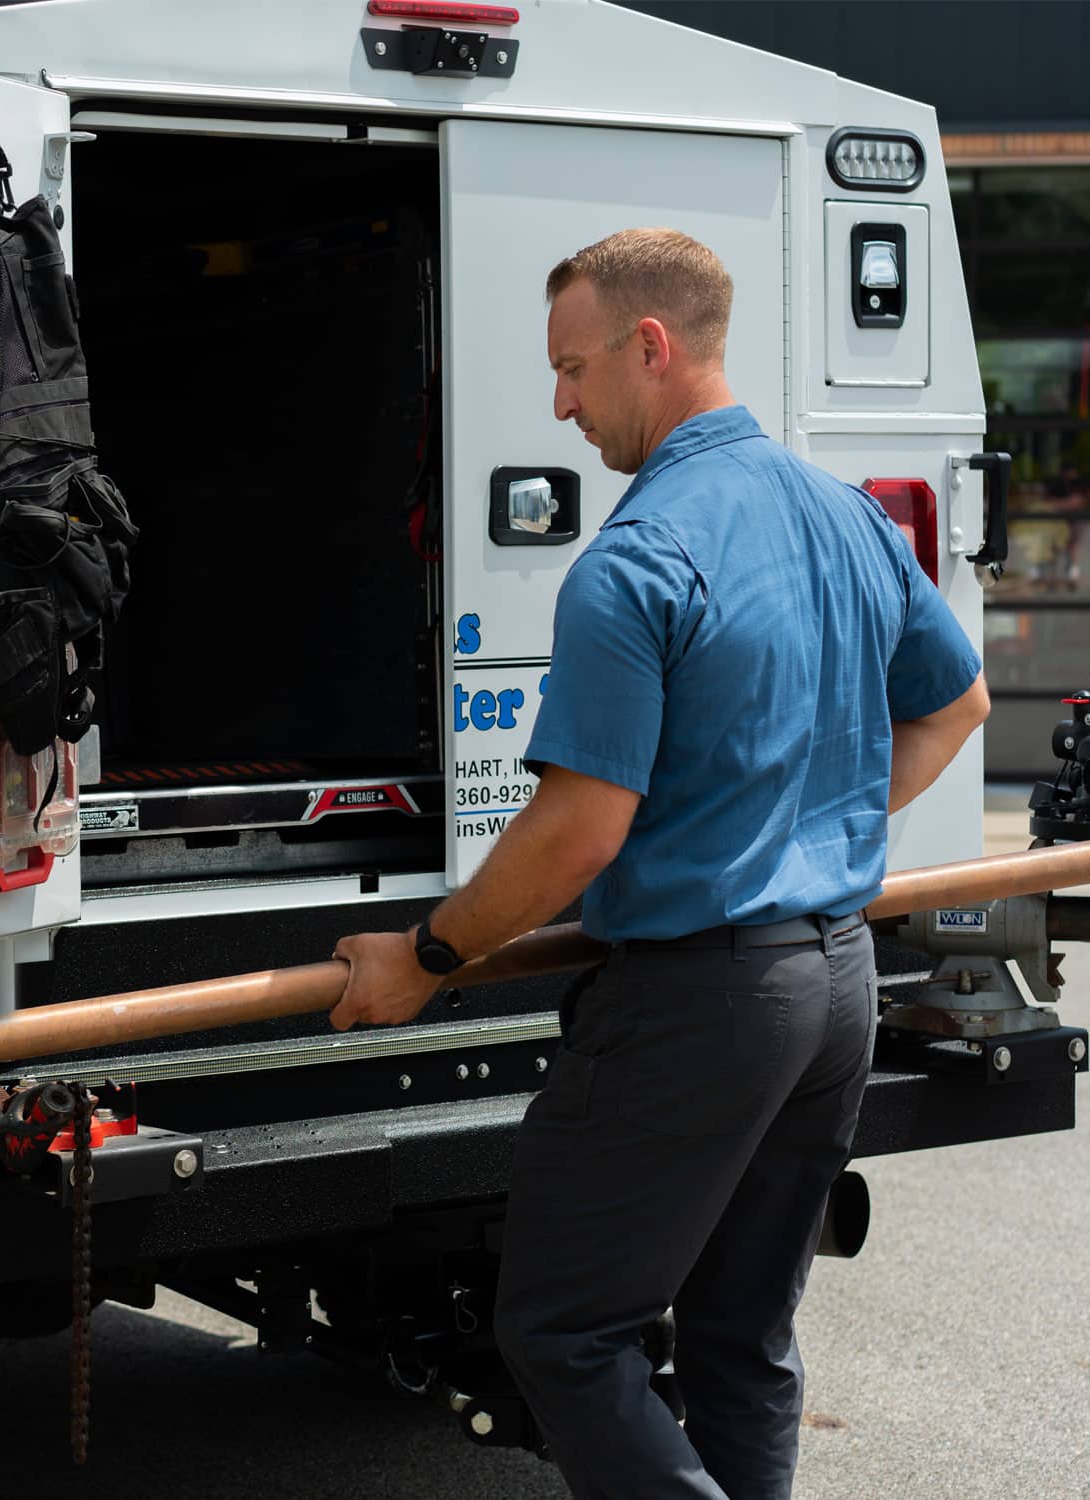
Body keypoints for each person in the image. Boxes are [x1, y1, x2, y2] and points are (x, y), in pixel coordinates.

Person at [328, 227, 989, 1499]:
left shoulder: (632, 562)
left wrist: (424, 957)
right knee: (741, 1338)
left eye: (573, 370)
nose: (559, 404)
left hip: (703, 1001)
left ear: (651, 345)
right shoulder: (842, 515)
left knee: (564, 1335)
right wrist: (821, 823)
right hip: (835, 981)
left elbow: (577, 834)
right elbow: (954, 707)